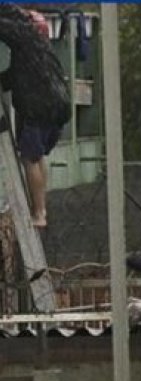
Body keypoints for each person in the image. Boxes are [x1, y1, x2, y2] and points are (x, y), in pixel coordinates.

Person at [0, 5, 71, 228]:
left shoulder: (24, 36)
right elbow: (15, 76)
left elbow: (7, 26)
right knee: (37, 157)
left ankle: (39, 213)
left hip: (39, 107)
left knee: (30, 158)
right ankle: (41, 209)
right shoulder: (41, 48)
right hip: (59, 108)